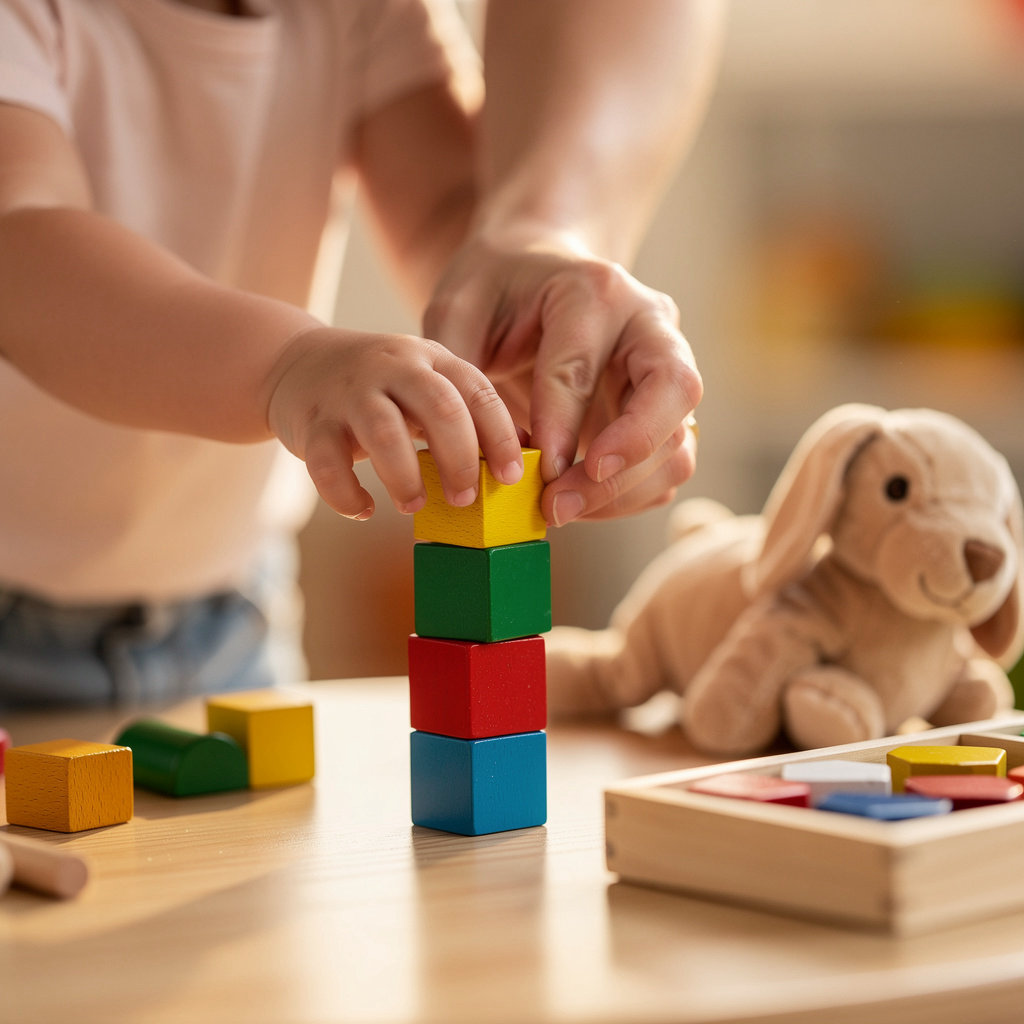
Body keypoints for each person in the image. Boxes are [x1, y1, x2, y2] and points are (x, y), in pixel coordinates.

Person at [0, 0, 721, 707]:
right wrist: (288, 365)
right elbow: (20, 245)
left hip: (226, 613)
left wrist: (550, 304)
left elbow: (447, 210)